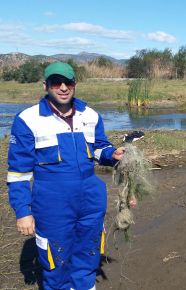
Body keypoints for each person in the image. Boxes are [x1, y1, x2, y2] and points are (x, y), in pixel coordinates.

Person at [7, 62, 125, 290]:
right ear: (46, 85)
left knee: (89, 254)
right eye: (56, 82)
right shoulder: (28, 119)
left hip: (91, 199)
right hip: (52, 203)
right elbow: (19, 172)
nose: (62, 87)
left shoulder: (90, 115)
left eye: (68, 82)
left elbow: (99, 148)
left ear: (75, 84)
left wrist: (113, 154)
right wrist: (23, 212)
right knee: (55, 261)